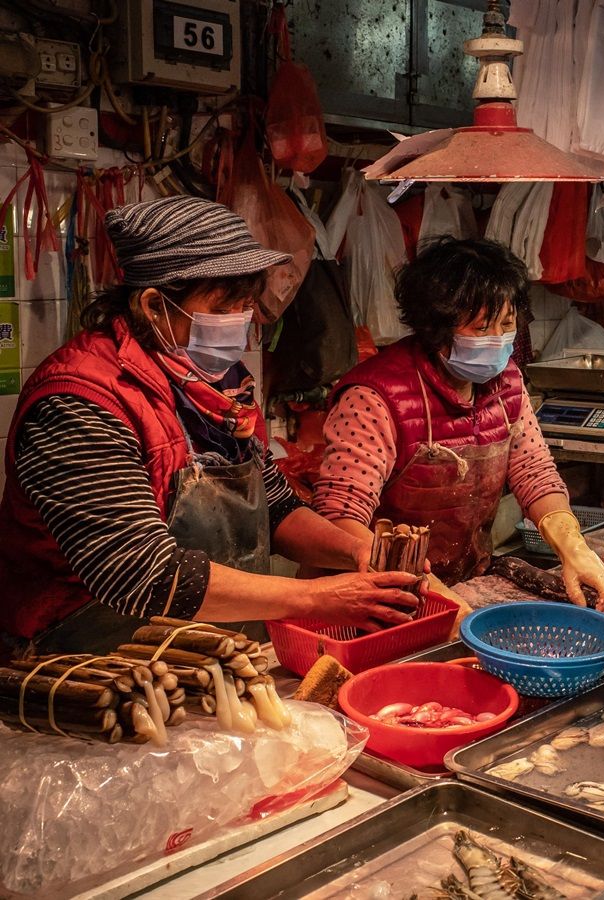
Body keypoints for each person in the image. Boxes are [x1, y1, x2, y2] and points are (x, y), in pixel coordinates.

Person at [0, 196, 422, 658]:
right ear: (155, 305)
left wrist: (352, 553)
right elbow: (139, 572)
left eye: (245, 303)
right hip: (83, 664)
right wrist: (316, 599)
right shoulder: (79, 402)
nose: (241, 321)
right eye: (224, 306)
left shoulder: (222, 386)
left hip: (203, 651)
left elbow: (275, 509)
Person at [313, 236, 604, 613]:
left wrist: (575, 548)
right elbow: (339, 517)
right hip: (368, 599)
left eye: (506, 325)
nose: (498, 340)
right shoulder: (372, 396)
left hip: (466, 582)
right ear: (437, 327)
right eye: (482, 327)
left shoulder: (507, 383)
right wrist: (433, 595)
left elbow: (535, 473)